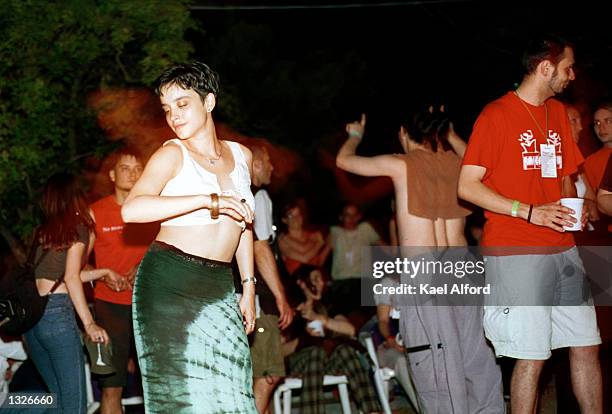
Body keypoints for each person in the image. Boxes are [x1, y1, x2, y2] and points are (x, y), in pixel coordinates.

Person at [458, 34, 602, 413]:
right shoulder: (496, 115)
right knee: (532, 356)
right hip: (516, 250)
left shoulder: (556, 113)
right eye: (568, 67)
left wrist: (578, 204)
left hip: (563, 246)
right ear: (545, 67)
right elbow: (467, 186)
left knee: (586, 343)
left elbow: (566, 173)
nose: (572, 75)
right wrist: (528, 210)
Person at [337, 109, 504, 413]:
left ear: (403, 133)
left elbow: (344, 161)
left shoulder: (402, 163)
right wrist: (451, 134)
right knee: (477, 360)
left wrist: (355, 135)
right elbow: (485, 166)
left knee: (438, 362)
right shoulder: (457, 162)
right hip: (462, 270)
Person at [121, 61, 257, 413]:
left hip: (219, 285)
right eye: (167, 109)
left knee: (235, 391)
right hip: (169, 280)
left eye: (183, 104)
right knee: (183, 396)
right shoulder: (171, 154)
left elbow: (244, 225)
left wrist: (249, 285)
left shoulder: (242, 156)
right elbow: (131, 210)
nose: (174, 116)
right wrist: (206, 200)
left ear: (209, 102)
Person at [24, 172, 110, 413]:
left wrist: (103, 271)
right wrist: (90, 324)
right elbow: (72, 278)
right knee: (74, 405)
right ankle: (9, 407)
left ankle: (10, 406)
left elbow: (64, 276)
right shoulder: (78, 227)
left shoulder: (43, 233)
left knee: (56, 400)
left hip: (32, 322)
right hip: (57, 315)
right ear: (76, 196)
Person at [89, 146, 157, 414]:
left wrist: (142, 265)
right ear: (113, 175)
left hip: (148, 304)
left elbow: (167, 251)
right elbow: (77, 262)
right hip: (110, 306)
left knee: (156, 383)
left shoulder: (152, 209)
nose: (132, 174)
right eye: (125, 168)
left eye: (137, 169)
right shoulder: (95, 212)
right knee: (112, 387)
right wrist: (103, 275)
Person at [282, 265, 382, 414]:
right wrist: (303, 340)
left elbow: (350, 330)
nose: (321, 283)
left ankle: (372, 411)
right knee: (316, 353)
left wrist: (319, 318)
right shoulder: (289, 310)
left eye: (322, 279)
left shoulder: (328, 306)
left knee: (345, 350)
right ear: (301, 283)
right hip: (297, 363)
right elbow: (278, 350)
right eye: (315, 279)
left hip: (326, 362)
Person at [242, 143, 294, 413]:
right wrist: (281, 297)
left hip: (235, 297)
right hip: (258, 299)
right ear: (257, 164)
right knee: (266, 375)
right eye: (268, 162)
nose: (273, 168)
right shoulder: (258, 195)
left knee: (250, 376)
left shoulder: (232, 193)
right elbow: (261, 247)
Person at [278, 201, 329, 276]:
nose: (296, 218)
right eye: (291, 216)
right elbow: (304, 258)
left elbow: (319, 262)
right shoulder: (283, 240)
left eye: (298, 214)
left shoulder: (312, 235)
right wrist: (319, 244)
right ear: (284, 220)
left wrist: (328, 246)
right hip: (298, 282)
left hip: (316, 279)